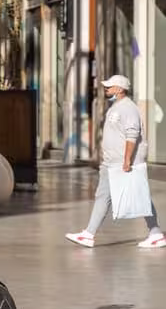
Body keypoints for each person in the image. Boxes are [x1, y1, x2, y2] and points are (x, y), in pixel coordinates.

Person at [66, 75, 165, 249]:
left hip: (122, 164)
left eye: (109, 87)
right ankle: (89, 234)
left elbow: (132, 135)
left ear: (119, 89)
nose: (106, 89)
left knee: (138, 196)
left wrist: (127, 160)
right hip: (112, 163)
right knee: (106, 196)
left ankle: (155, 233)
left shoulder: (128, 108)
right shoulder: (117, 107)